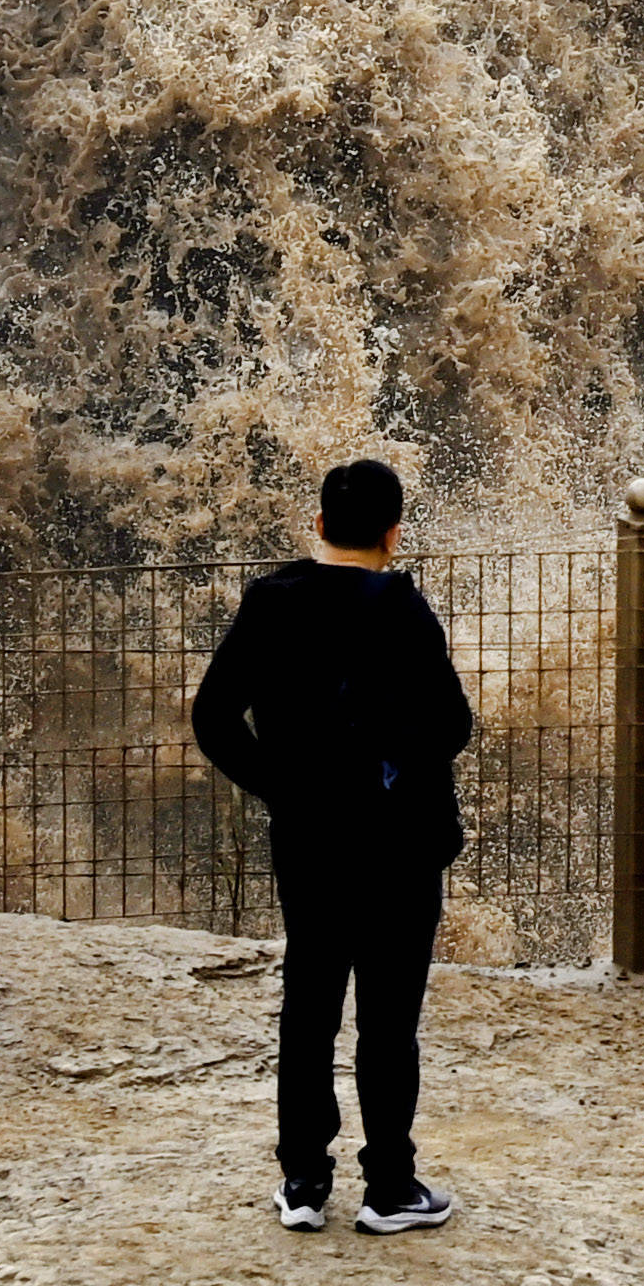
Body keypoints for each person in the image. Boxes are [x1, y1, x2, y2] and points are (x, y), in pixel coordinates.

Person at [189, 459, 473, 1235]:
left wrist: (281, 785)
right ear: (393, 532)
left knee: (309, 1006)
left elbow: (213, 717)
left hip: (310, 839)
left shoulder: (270, 603)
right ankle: (389, 1189)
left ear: (317, 525)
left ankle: (304, 1184)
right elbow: (452, 726)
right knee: (388, 1018)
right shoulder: (404, 608)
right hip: (400, 844)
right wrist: (394, 761)